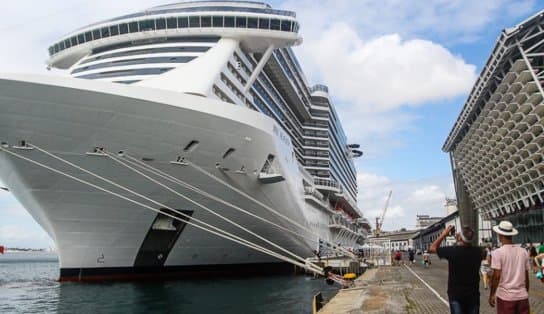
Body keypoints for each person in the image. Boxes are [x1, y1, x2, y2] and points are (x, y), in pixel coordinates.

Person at [429, 225, 484, 314]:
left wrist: (444, 234)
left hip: (456, 295)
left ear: (459, 238)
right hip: (473, 295)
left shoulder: (453, 251)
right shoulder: (479, 251)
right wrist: (458, 237)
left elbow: (432, 248)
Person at [489, 221, 530, 314]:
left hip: (505, 297)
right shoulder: (523, 252)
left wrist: (492, 294)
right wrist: (525, 292)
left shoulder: (498, 253)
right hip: (522, 297)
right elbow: (526, 276)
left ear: (500, 235)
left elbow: (496, 276)